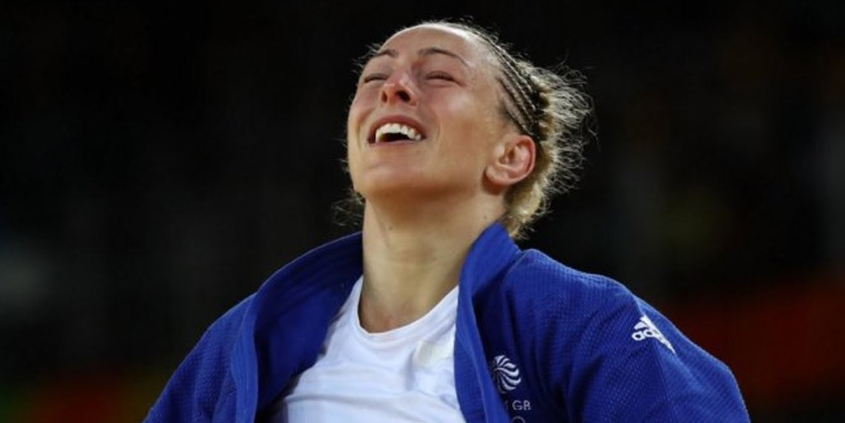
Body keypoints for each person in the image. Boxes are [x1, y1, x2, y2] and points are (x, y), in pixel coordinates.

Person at [145, 20, 750, 423]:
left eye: (437, 76)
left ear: (510, 157)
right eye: (374, 78)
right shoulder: (246, 338)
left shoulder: (583, 321)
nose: (393, 89)